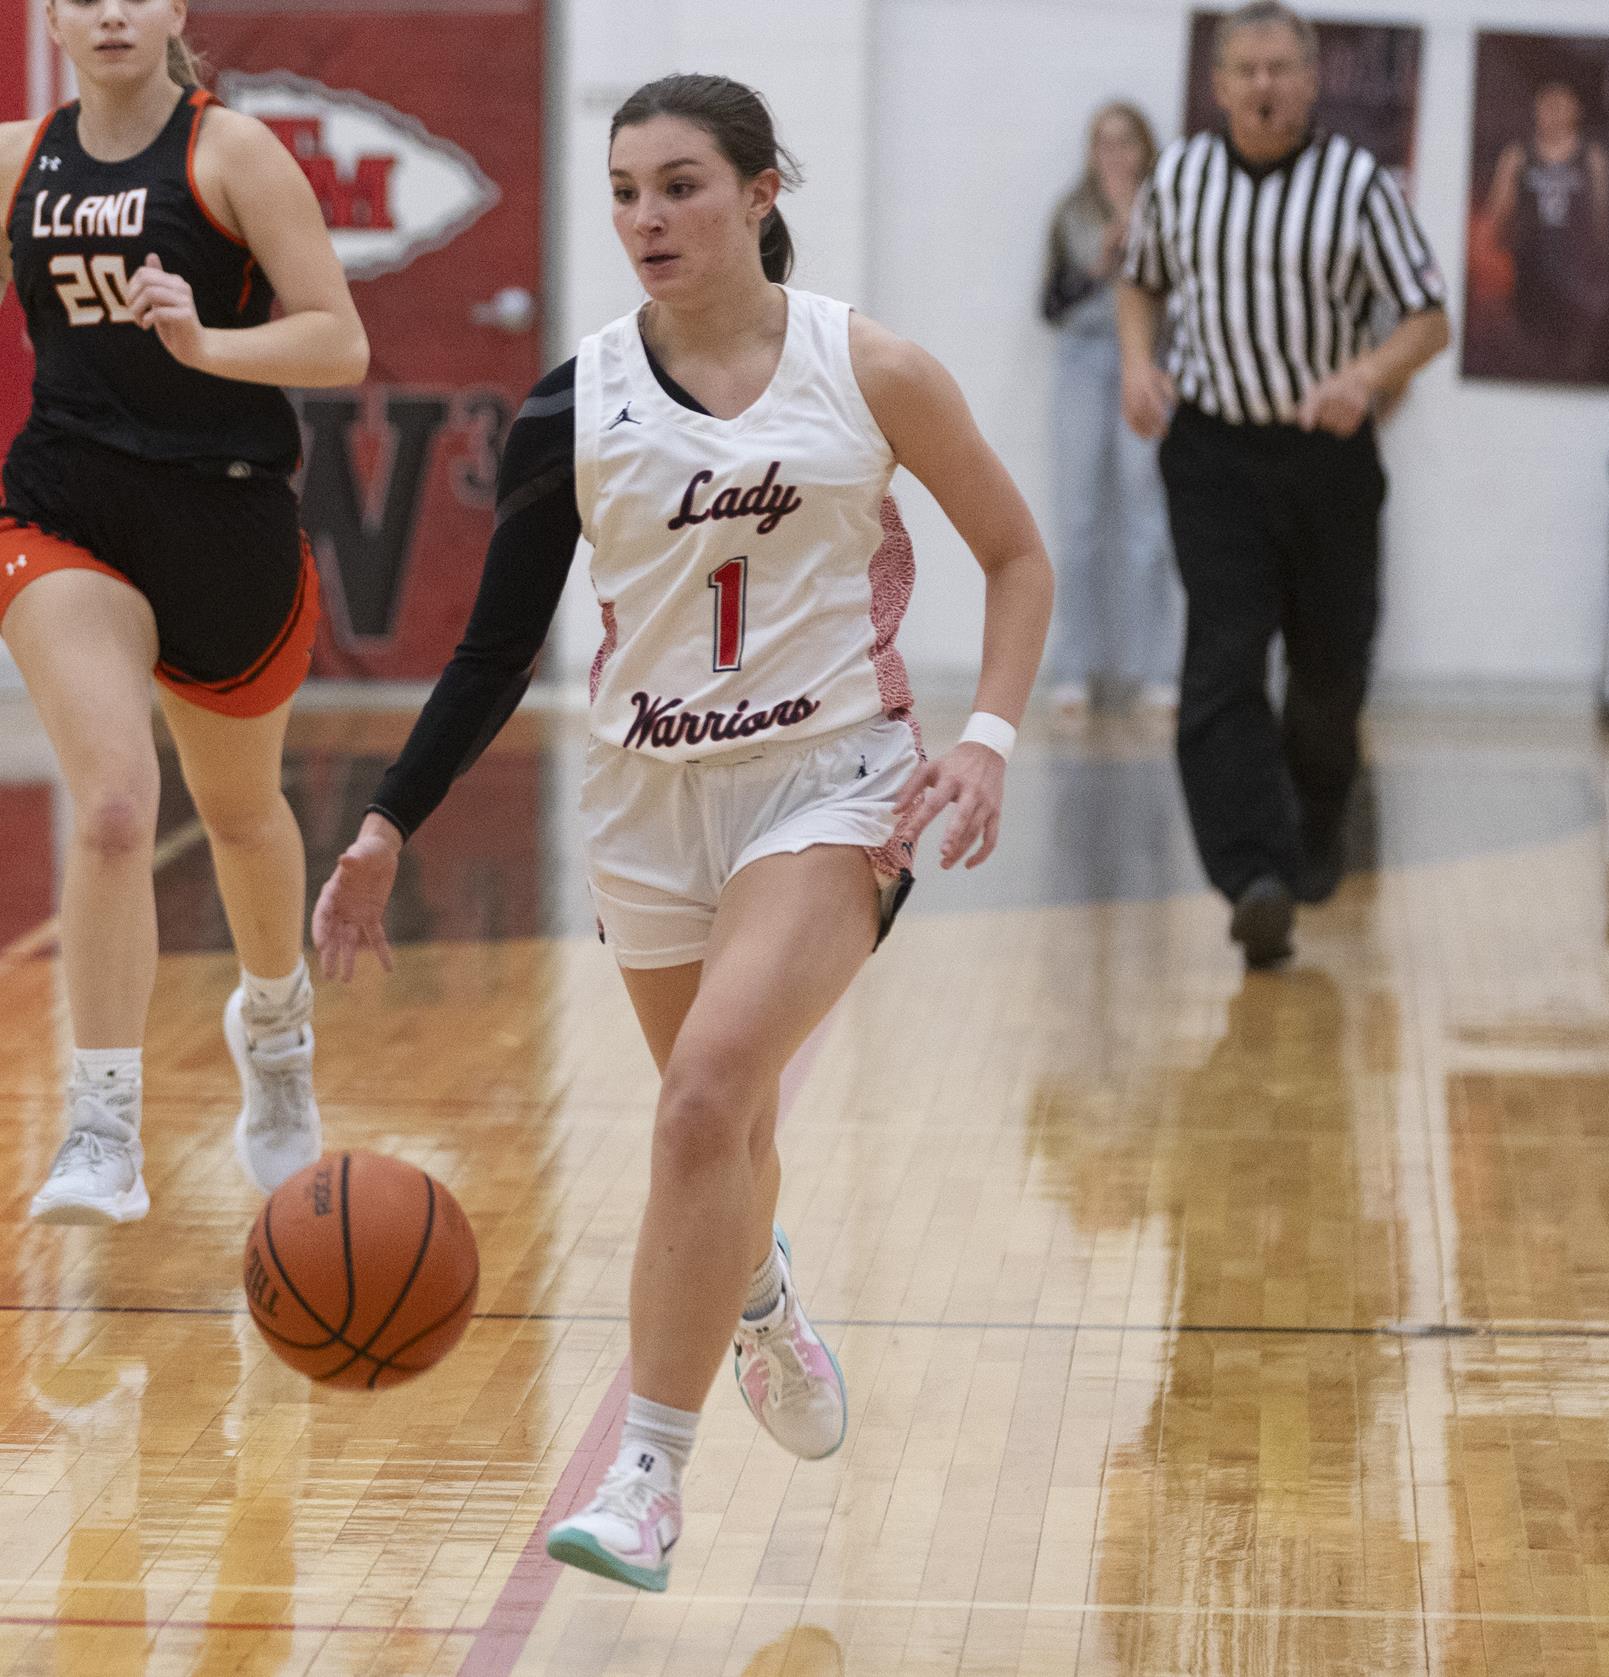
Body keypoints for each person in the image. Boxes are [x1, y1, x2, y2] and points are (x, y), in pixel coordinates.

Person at [311, 73, 1052, 1592]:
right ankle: (761, 1297)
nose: (645, 217)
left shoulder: (871, 369)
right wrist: (388, 820)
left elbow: (1015, 552)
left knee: (703, 1099)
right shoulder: (571, 406)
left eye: (680, 186)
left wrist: (982, 740)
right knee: (723, 1133)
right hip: (646, 807)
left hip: (833, 785)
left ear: (761, 192)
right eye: (625, 189)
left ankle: (644, 1471)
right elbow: (491, 648)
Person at [0, 0, 368, 1222]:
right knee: (110, 805)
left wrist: (208, 345)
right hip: (65, 514)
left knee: (242, 815)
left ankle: (275, 1029)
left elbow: (338, 343)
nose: (109, 9)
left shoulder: (232, 154)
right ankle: (101, 1128)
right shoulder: (17, 160)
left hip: (222, 519)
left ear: (173, 12)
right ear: (51, 18)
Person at [1118, 0, 1449, 966]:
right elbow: (1138, 278)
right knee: (1221, 661)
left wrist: (1366, 376)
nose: (1262, 86)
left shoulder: (1358, 185)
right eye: (1245, 70)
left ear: (1311, 82)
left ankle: (1308, 835)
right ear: (1217, 85)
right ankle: (1251, 876)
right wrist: (1140, 363)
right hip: (1214, 452)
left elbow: (1429, 318)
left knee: (1327, 671)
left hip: (1325, 456)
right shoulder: (1177, 176)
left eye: (1280, 69)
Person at [1040, 101, 1180, 719]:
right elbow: (1049, 304)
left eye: (1126, 143)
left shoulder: (1172, 212)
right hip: (1081, 362)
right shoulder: (1071, 216)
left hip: (1145, 362)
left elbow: (1184, 296)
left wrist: (1135, 232)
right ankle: (1072, 668)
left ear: (1145, 149)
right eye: (1103, 142)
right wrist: (1101, 261)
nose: (1115, 155)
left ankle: (1160, 672)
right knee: (1079, 522)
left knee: (1149, 523)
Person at [1482, 80, 1609, 380]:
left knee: (1571, 354)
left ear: (1576, 109)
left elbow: (1601, 218)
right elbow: (1498, 212)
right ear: (1536, 109)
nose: (1553, 112)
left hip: (1575, 273)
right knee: (1530, 352)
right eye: (1546, 103)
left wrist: (1599, 266)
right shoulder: (1517, 155)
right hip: (1531, 268)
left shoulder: (1591, 157)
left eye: (1561, 103)